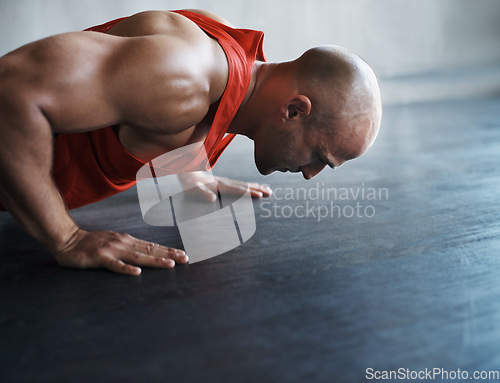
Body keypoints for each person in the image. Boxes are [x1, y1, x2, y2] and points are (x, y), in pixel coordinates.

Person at [0, 9, 382, 275]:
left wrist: (186, 170)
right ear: (294, 111)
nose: (312, 174)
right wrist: (66, 238)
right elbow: (11, 93)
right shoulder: (182, 78)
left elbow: (148, 117)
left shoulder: (225, 62)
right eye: (319, 155)